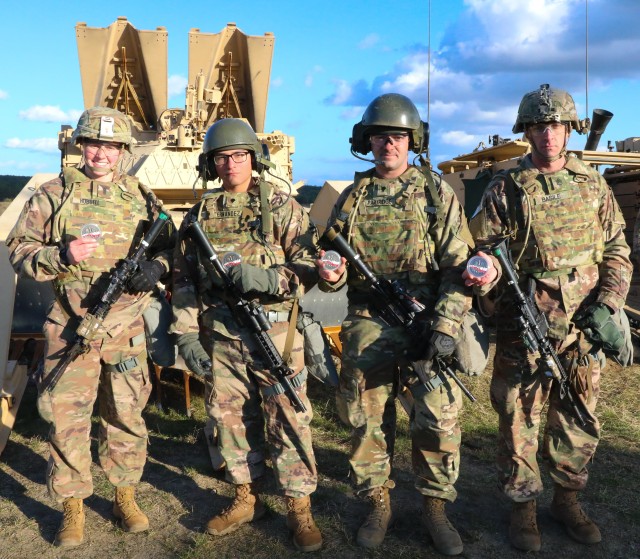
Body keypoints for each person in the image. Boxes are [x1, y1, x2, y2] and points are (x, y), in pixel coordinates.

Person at [465, 84, 632, 552]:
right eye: (539, 127)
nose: (548, 136)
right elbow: (481, 247)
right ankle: (523, 508)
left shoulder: (592, 184)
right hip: (526, 327)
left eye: (556, 126)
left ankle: (567, 500)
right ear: (527, 131)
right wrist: (488, 271)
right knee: (519, 418)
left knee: (577, 417)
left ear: (569, 129)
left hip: (583, 327)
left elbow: (618, 249)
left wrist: (609, 303)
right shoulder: (506, 187)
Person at [6, 107, 175, 547]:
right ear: (81, 146)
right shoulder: (53, 193)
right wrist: (61, 256)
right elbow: (18, 251)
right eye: (94, 144)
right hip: (70, 326)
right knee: (67, 419)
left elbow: (172, 246)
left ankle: (124, 495)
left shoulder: (140, 195)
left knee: (125, 414)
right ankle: (73, 505)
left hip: (124, 328)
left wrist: (156, 267)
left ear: (123, 151)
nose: (101, 154)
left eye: (111, 146)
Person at [317, 93, 474, 555]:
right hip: (369, 318)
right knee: (366, 416)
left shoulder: (434, 192)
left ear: (413, 140)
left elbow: (458, 265)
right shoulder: (353, 196)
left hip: (426, 319)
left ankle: (434, 507)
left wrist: (445, 326)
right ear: (368, 141)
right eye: (381, 136)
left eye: (399, 136)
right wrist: (331, 274)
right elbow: (329, 260)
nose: (390, 144)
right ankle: (377, 501)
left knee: (439, 416)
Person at [170, 118, 322, 552]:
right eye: (223, 156)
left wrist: (265, 280)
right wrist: (185, 335)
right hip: (222, 336)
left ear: (254, 158)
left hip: (275, 336)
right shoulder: (201, 214)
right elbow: (183, 279)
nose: (232, 163)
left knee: (289, 418)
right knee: (229, 419)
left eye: (239, 155)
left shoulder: (284, 206)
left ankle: (298, 506)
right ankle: (244, 496)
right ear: (211, 163)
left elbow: (308, 265)